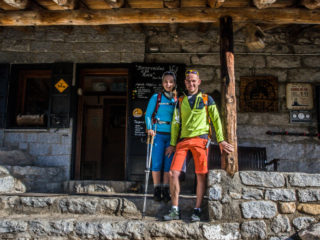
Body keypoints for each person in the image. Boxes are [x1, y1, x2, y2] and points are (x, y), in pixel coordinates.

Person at [163, 69, 234, 221]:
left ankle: (197, 209)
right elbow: (175, 124)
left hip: (201, 140)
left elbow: (216, 120)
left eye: (194, 80)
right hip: (183, 141)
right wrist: (172, 143)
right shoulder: (180, 101)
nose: (191, 83)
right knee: (173, 173)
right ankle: (175, 209)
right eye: (188, 81)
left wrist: (221, 140)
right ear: (185, 83)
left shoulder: (207, 99)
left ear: (199, 82)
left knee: (200, 175)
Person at [145, 71, 177, 202]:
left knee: (168, 165)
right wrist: (150, 128)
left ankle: (165, 189)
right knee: (157, 163)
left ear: (174, 83)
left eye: (171, 81)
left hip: (171, 136)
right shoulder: (156, 97)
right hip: (157, 134)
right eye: (165, 81)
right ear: (162, 83)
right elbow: (147, 114)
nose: (168, 84)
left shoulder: (176, 99)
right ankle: (157, 189)